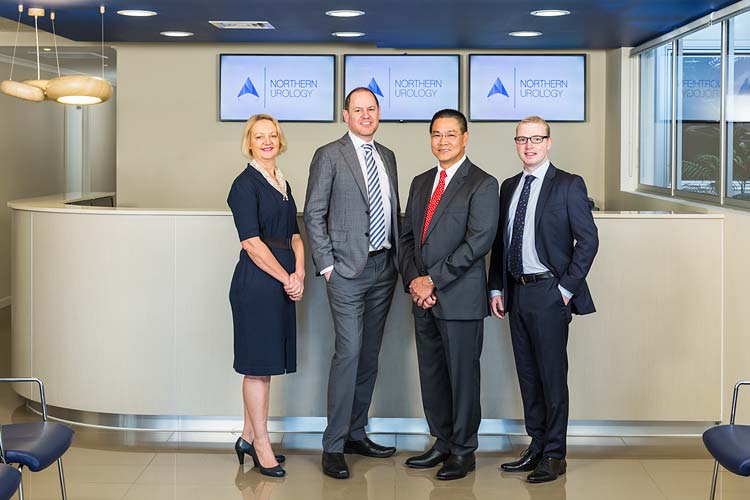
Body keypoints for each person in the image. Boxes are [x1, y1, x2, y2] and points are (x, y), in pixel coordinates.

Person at [488, 115, 599, 483]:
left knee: (552, 377)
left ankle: (555, 454)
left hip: (549, 293)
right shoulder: (508, 187)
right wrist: (497, 288)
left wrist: (565, 289)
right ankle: (536, 445)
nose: (529, 145)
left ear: (549, 142)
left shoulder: (567, 184)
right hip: (516, 292)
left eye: (537, 138)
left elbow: (588, 240)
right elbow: (500, 245)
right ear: (516, 143)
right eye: (522, 139)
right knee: (528, 375)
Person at [303, 87, 400, 480]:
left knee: (370, 355)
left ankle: (356, 432)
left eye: (371, 109)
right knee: (349, 352)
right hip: (346, 272)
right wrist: (327, 266)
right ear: (345, 114)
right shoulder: (329, 154)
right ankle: (333, 444)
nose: (365, 115)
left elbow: (392, 210)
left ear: (379, 113)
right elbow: (314, 213)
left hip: (384, 269)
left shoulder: (387, 156)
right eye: (357, 109)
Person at [399, 108, 499, 481]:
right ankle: (441, 442)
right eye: (436, 135)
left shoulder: (482, 183)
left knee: (462, 376)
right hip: (422, 298)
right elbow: (407, 237)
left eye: (450, 134)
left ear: (465, 138)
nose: (442, 141)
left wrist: (432, 281)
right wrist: (414, 281)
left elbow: (478, 242)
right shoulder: (421, 181)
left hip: (458, 298)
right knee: (433, 375)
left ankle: (463, 450)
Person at [227, 113, 305, 478]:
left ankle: (248, 436)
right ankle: (261, 446)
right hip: (257, 284)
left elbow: (294, 235)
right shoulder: (244, 185)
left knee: (265, 367)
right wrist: (286, 277)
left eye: (272, 135)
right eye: (260, 137)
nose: (268, 141)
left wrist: (300, 272)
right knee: (256, 369)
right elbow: (252, 243)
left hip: (281, 280)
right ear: (250, 142)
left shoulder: (281, 180)